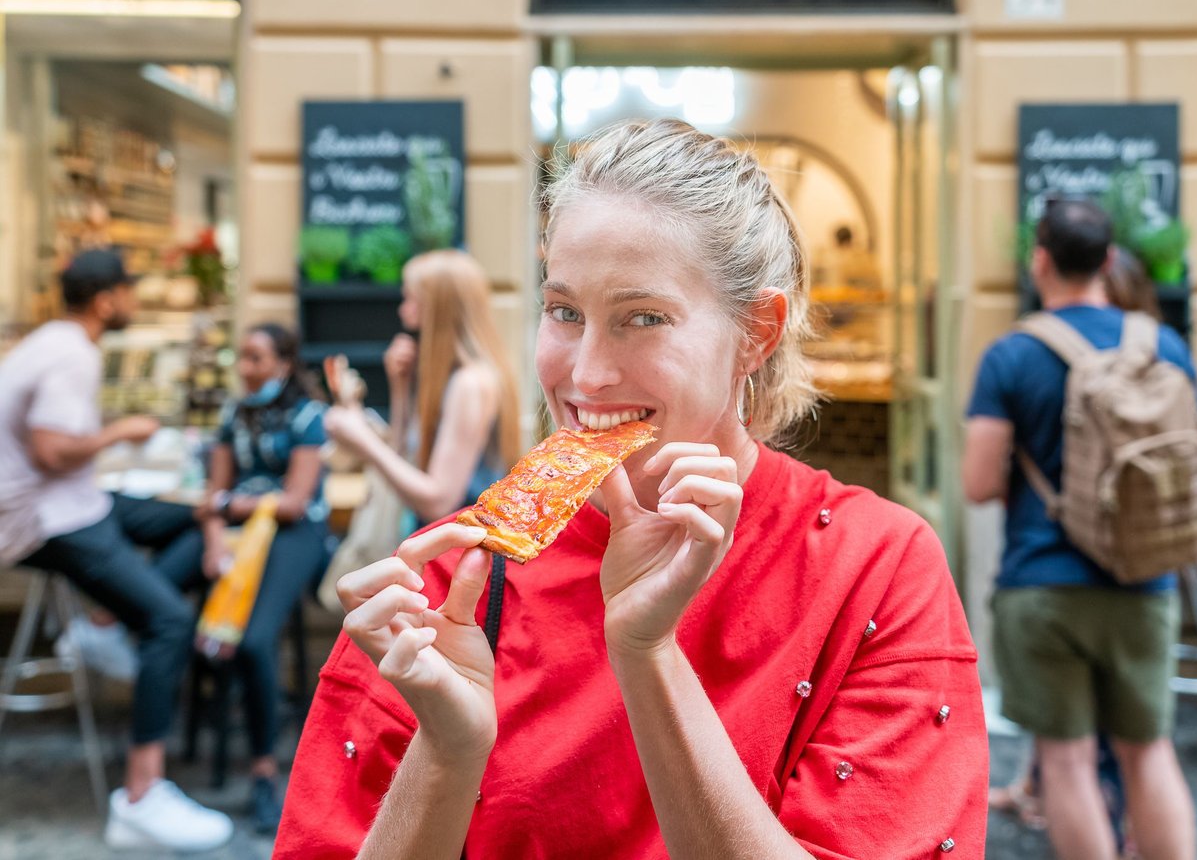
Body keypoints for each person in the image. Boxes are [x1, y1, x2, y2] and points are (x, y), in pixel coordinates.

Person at [275, 118, 988, 858]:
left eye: (641, 319)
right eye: (564, 312)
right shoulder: (451, 578)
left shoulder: (874, 568)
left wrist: (648, 656)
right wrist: (448, 754)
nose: (585, 375)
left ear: (757, 332)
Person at [962, 199, 1197, 860]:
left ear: (1040, 259)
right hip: (1144, 578)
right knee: (1148, 753)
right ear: (1106, 260)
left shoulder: (1012, 354)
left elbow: (979, 484)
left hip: (1042, 583)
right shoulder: (1164, 344)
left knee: (1065, 763)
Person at [0, 249, 233, 852]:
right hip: (44, 519)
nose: (132, 299)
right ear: (106, 299)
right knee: (169, 620)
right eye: (129, 290)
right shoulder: (73, 352)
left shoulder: (53, 339)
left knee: (193, 515)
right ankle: (140, 796)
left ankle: (103, 626)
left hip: (75, 501)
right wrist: (121, 432)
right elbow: (53, 450)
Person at [152, 323, 331, 834]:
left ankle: (263, 773)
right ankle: (169, 720)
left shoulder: (308, 416)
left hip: (291, 532)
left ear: (283, 363)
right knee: (157, 589)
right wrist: (213, 540)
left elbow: (294, 503)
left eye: (255, 358)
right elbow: (213, 495)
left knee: (254, 643)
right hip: (233, 528)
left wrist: (229, 505)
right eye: (243, 358)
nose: (245, 368)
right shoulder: (234, 413)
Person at [323, 250, 519, 531]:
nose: (403, 310)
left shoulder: (470, 383)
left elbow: (439, 501)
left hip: (458, 553)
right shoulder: (451, 376)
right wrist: (400, 386)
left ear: (437, 306)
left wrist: (363, 440)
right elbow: (403, 454)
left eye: (410, 299)